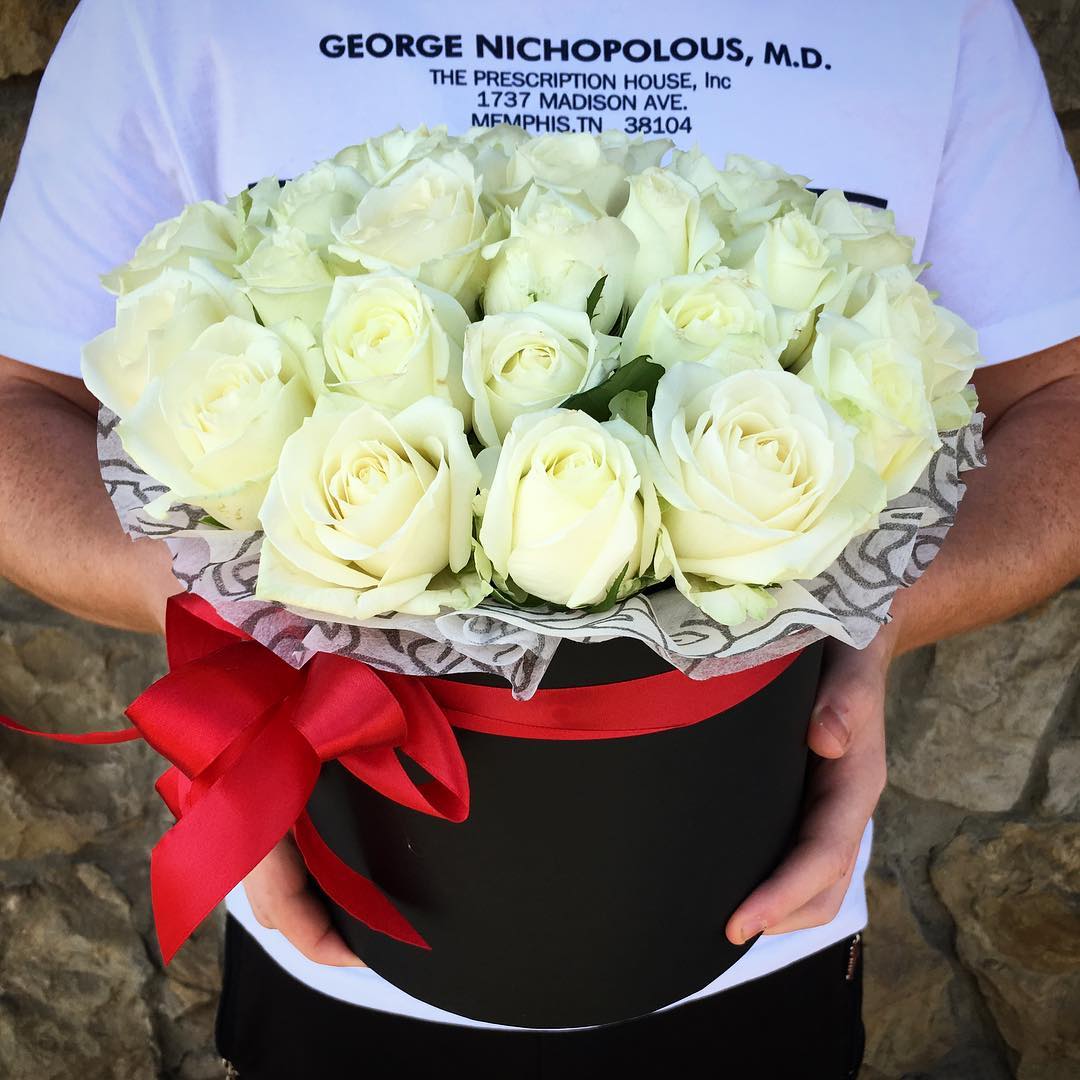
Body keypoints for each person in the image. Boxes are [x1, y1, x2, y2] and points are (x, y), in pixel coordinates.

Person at [0, 1, 1077, 1076]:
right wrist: (233, 633)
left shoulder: (932, 18)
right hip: (342, 948)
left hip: (756, 923)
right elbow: (16, 406)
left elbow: (1061, 400)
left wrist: (871, 621)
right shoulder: (171, 15)